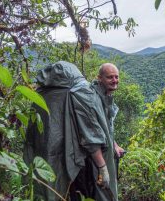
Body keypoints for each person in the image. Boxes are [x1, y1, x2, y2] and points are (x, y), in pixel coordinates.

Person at [24, 61, 124, 201]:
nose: (114, 80)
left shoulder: (43, 94)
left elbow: (102, 125)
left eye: (116, 77)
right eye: (110, 77)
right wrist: (103, 168)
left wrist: (114, 144)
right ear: (99, 78)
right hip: (73, 159)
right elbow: (91, 137)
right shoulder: (83, 94)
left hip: (58, 159)